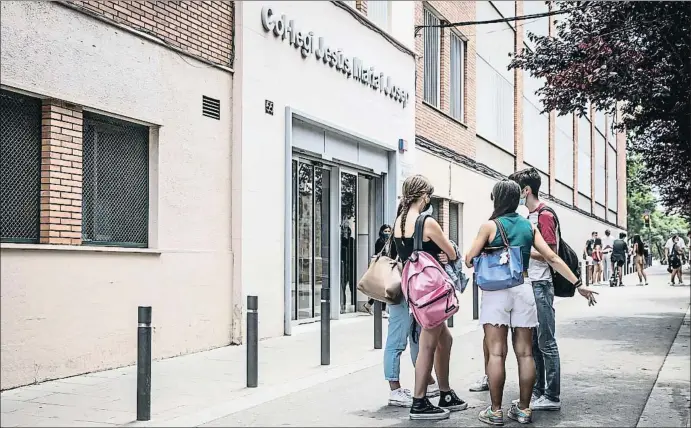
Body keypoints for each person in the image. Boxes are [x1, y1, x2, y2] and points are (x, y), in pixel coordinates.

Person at [465, 180, 596, 426]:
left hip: (496, 294)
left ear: (497, 199)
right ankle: (524, 409)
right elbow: (552, 257)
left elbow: (469, 259)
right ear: (517, 199)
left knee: (496, 352)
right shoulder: (528, 226)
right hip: (524, 288)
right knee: (525, 353)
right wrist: (578, 284)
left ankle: (495, 411)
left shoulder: (489, 226)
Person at [393, 175, 467, 420]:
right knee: (428, 345)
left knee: (444, 340)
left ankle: (445, 392)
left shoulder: (399, 222)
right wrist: (449, 255)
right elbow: (450, 251)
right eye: (428, 196)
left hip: (414, 290)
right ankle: (419, 401)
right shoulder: (426, 222)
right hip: (431, 292)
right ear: (423, 196)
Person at [380, 224, 441, 408]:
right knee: (397, 339)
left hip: (410, 289)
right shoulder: (399, 231)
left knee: (417, 336)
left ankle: (427, 381)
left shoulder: (407, 229)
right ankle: (395, 390)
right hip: (398, 291)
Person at [364, 224, 392, 317]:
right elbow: (378, 254)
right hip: (381, 267)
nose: (387, 233)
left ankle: (369, 304)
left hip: (388, 267)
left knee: (382, 289)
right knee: (383, 288)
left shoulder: (392, 242)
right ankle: (383, 310)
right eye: (385, 231)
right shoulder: (380, 242)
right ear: (382, 232)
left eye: (388, 231)